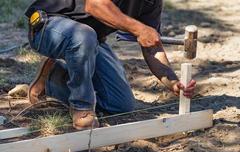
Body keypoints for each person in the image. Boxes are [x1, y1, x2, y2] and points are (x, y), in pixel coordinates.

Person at [25, 0, 197, 130]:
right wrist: (139, 29)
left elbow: (151, 44)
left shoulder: (151, 2)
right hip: (49, 26)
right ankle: (82, 107)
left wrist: (173, 82)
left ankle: (52, 77)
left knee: (120, 105)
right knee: (83, 36)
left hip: (90, 42)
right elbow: (95, 5)